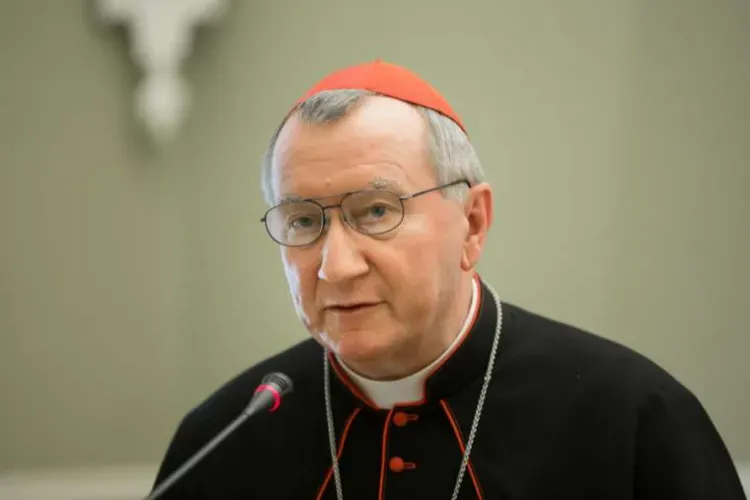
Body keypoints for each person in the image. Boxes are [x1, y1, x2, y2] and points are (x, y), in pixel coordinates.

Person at [152, 60, 747, 499]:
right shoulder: (222, 438)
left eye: (377, 211)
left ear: (472, 223)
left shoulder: (634, 419)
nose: (336, 265)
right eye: (303, 221)